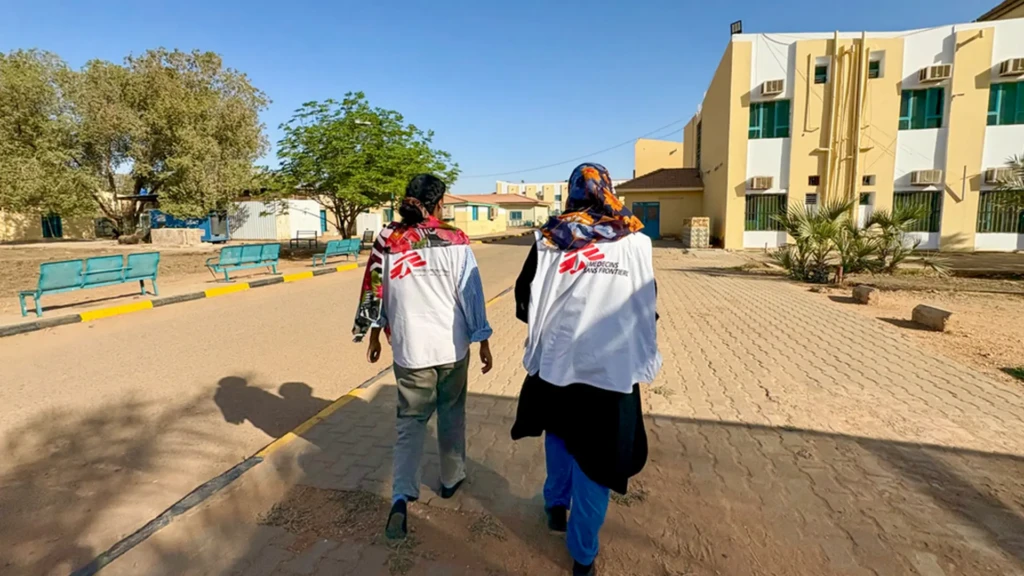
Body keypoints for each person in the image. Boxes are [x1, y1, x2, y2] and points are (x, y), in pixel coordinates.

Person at [510, 163, 661, 576]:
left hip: (558, 367)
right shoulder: (635, 242)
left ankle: (556, 507)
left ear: (574, 191)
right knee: (597, 460)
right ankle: (582, 556)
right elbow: (647, 304)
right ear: (607, 190)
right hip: (610, 371)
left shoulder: (550, 239)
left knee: (559, 434)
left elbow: (525, 300)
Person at [353, 173, 493, 541]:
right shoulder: (456, 240)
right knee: (451, 413)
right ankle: (451, 479)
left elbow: (374, 289)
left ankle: (400, 496)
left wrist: (373, 335)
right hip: (452, 348)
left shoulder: (388, 240)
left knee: (410, 422)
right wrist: (483, 340)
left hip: (410, 349)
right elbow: (471, 296)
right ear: (439, 203)